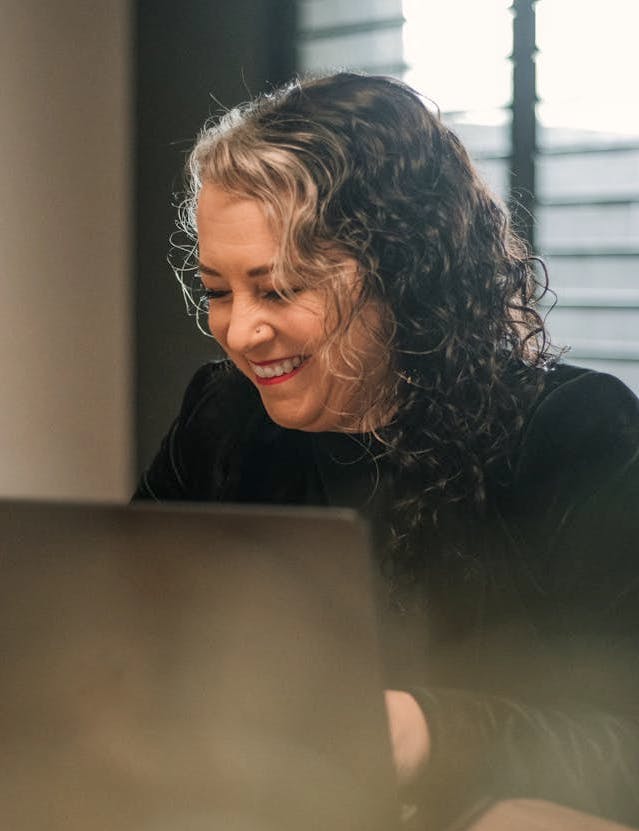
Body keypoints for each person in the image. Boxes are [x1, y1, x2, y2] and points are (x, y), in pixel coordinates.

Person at [135, 73, 639, 828]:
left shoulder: (573, 434)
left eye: (277, 290)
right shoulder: (223, 417)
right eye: (217, 290)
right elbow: (126, 633)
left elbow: (621, 744)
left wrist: (428, 731)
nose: (240, 333)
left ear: (400, 276)